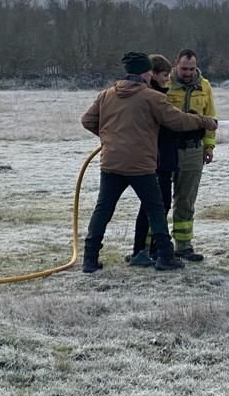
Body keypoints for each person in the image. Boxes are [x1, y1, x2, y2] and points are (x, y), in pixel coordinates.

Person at [80, 51, 217, 273]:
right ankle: (165, 256)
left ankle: (89, 259)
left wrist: (111, 139)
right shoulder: (151, 97)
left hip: (111, 163)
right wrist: (205, 122)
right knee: (157, 207)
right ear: (146, 73)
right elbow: (178, 120)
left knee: (103, 210)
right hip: (141, 165)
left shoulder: (106, 95)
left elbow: (87, 120)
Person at [127, 54, 180, 266]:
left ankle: (150, 250)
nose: (168, 79)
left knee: (157, 205)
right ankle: (146, 251)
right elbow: (168, 125)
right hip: (155, 160)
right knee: (156, 205)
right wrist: (192, 122)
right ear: (153, 75)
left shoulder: (156, 95)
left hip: (163, 158)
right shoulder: (152, 97)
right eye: (165, 75)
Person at [166, 48, 217, 261]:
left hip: (193, 151)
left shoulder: (204, 87)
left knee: (186, 200)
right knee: (159, 199)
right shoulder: (163, 85)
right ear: (175, 64)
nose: (188, 73)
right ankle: (151, 245)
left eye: (192, 68)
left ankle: (183, 246)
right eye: (184, 68)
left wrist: (209, 146)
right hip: (166, 149)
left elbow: (211, 118)